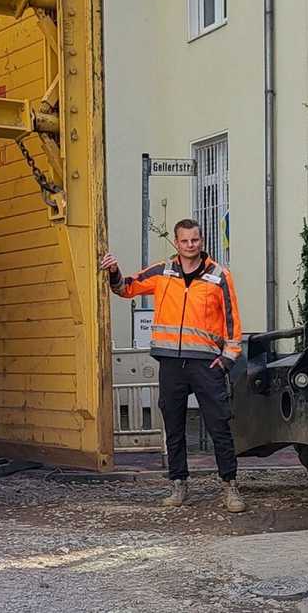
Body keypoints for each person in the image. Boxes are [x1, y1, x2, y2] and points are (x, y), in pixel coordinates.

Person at [100, 219, 246, 513]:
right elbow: (126, 288)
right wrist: (114, 271)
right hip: (171, 364)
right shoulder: (162, 272)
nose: (190, 245)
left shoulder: (219, 276)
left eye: (195, 240)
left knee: (219, 425)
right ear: (176, 244)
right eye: (185, 241)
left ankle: (230, 486)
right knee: (174, 427)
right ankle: (178, 483)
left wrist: (228, 360)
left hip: (207, 364)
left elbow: (233, 322)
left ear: (201, 241)